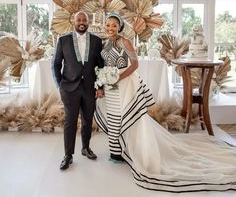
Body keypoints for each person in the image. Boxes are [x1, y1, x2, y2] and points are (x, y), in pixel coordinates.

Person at [95, 12, 236, 192]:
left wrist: (118, 77)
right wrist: (106, 79)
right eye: (108, 25)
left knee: (130, 117)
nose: (110, 28)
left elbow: (135, 64)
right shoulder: (105, 43)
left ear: (120, 27)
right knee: (115, 117)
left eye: (114, 25)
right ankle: (117, 151)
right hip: (111, 87)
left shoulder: (126, 42)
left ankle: (135, 150)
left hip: (126, 84)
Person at [52, 11, 104, 170]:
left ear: (88, 23)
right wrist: (60, 85)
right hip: (69, 88)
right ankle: (68, 155)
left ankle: (85, 148)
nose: (81, 22)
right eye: (79, 19)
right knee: (70, 121)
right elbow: (55, 64)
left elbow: (100, 65)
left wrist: (100, 86)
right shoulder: (63, 40)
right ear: (74, 22)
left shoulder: (96, 41)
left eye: (84, 20)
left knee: (88, 119)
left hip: (89, 87)